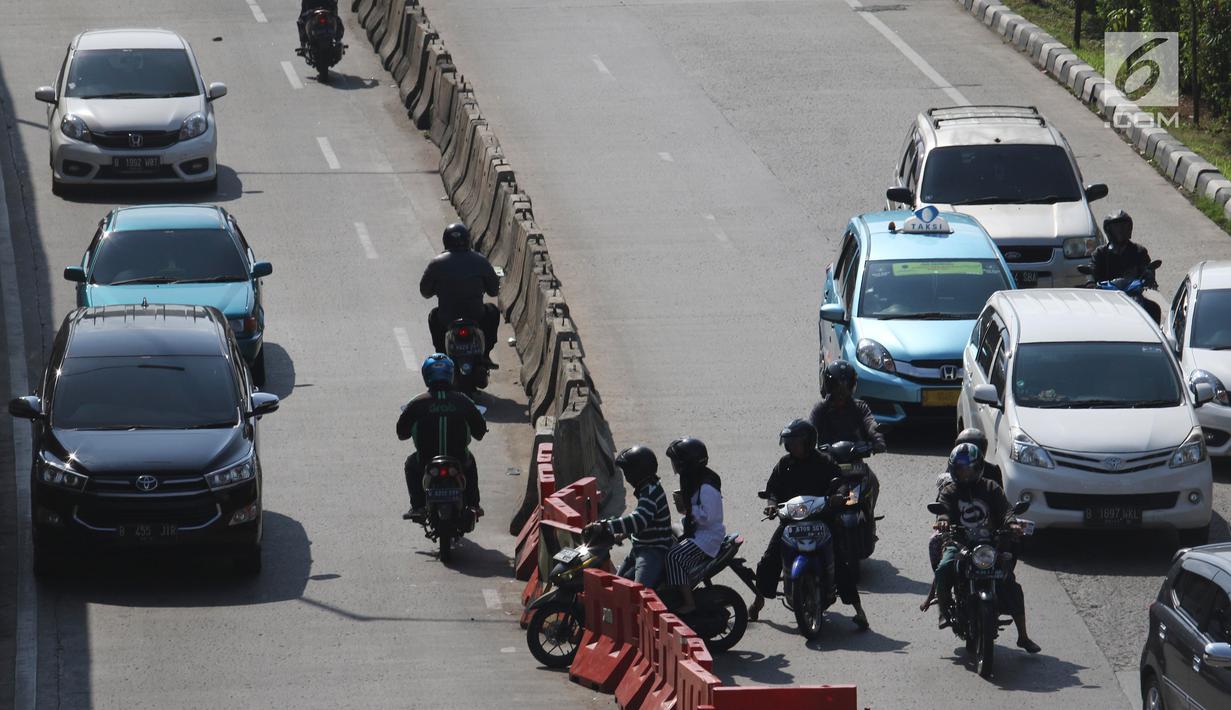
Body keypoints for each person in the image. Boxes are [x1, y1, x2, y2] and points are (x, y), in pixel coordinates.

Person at [754, 419, 868, 629]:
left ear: (808, 442)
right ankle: (758, 600)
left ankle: (859, 610)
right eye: (789, 443)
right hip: (791, 521)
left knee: (841, 562)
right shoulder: (784, 464)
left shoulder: (824, 462)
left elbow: (842, 484)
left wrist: (839, 497)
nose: (792, 447)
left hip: (821, 519)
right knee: (770, 559)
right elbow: (772, 490)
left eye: (796, 442)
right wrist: (771, 505)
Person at [930, 443, 1040, 654]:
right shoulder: (950, 491)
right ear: (953, 469)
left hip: (989, 544)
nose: (965, 473)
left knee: (1010, 582)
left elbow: (1006, 510)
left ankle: (1023, 636)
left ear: (978, 467)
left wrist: (1012, 523)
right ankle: (943, 610)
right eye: (961, 469)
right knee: (944, 568)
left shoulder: (991, 488)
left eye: (969, 468)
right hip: (959, 542)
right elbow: (943, 510)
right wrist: (943, 520)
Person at [396, 354, 488, 522]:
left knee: (410, 464)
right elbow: (480, 433)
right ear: (450, 374)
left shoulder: (417, 403)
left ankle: (417, 506)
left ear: (426, 375)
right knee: (471, 462)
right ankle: (474, 505)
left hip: (425, 461)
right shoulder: (463, 401)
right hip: (459, 460)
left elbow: (401, 433)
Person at [584, 446, 673, 588]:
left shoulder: (650, 493)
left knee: (639, 591)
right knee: (619, 581)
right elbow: (643, 522)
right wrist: (622, 534)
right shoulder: (647, 488)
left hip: (653, 550)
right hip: (640, 546)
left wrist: (606, 526)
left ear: (637, 473)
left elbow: (638, 520)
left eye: (627, 472)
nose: (626, 476)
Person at [419, 223, 501, 364]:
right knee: (493, 311)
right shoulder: (480, 261)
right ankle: (486, 354)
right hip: (476, 315)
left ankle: (441, 354)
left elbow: (425, 292)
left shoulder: (436, 263)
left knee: (433, 317)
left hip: (446, 318)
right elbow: (493, 291)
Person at [663, 437, 725, 614]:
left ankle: (689, 602)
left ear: (686, 463)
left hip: (708, 536)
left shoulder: (707, 486)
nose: (674, 465)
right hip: (696, 528)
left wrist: (688, 509)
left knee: (673, 557)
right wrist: (687, 509)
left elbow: (710, 518)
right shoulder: (691, 478)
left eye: (676, 461)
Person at [1090, 210, 1153, 283]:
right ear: (1109, 230)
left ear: (1129, 229)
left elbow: (1147, 269)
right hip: (1107, 292)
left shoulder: (1139, 251)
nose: (1120, 230)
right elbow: (1093, 270)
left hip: (1134, 291)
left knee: (1153, 293)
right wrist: (1091, 277)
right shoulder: (1100, 253)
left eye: (1124, 226)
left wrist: (1149, 276)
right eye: (1116, 227)